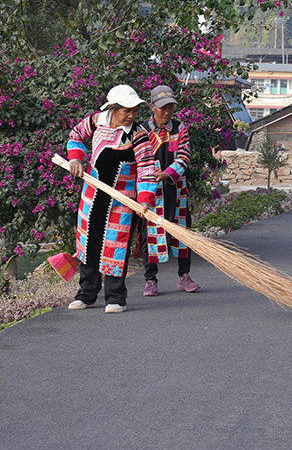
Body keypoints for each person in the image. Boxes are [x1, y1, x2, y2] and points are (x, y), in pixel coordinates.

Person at [66, 84, 157, 313]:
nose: (131, 116)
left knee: (116, 248)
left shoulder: (139, 136)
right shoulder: (96, 121)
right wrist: (76, 158)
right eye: (126, 111)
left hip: (122, 202)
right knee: (89, 243)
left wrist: (145, 200)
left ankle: (115, 298)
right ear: (113, 109)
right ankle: (86, 295)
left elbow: (147, 170)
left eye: (135, 111)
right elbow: (75, 136)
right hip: (93, 196)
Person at [138, 85, 200, 296]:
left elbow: (184, 156)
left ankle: (184, 276)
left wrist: (168, 174)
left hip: (176, 189)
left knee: (183, 232)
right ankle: (150, 280)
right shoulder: (142, 131)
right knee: (149, 234)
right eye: (163, 108)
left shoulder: (179, 128)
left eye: (171, 107)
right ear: (152, 107)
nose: (167, 113)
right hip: (151, 191)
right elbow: (138, 159)